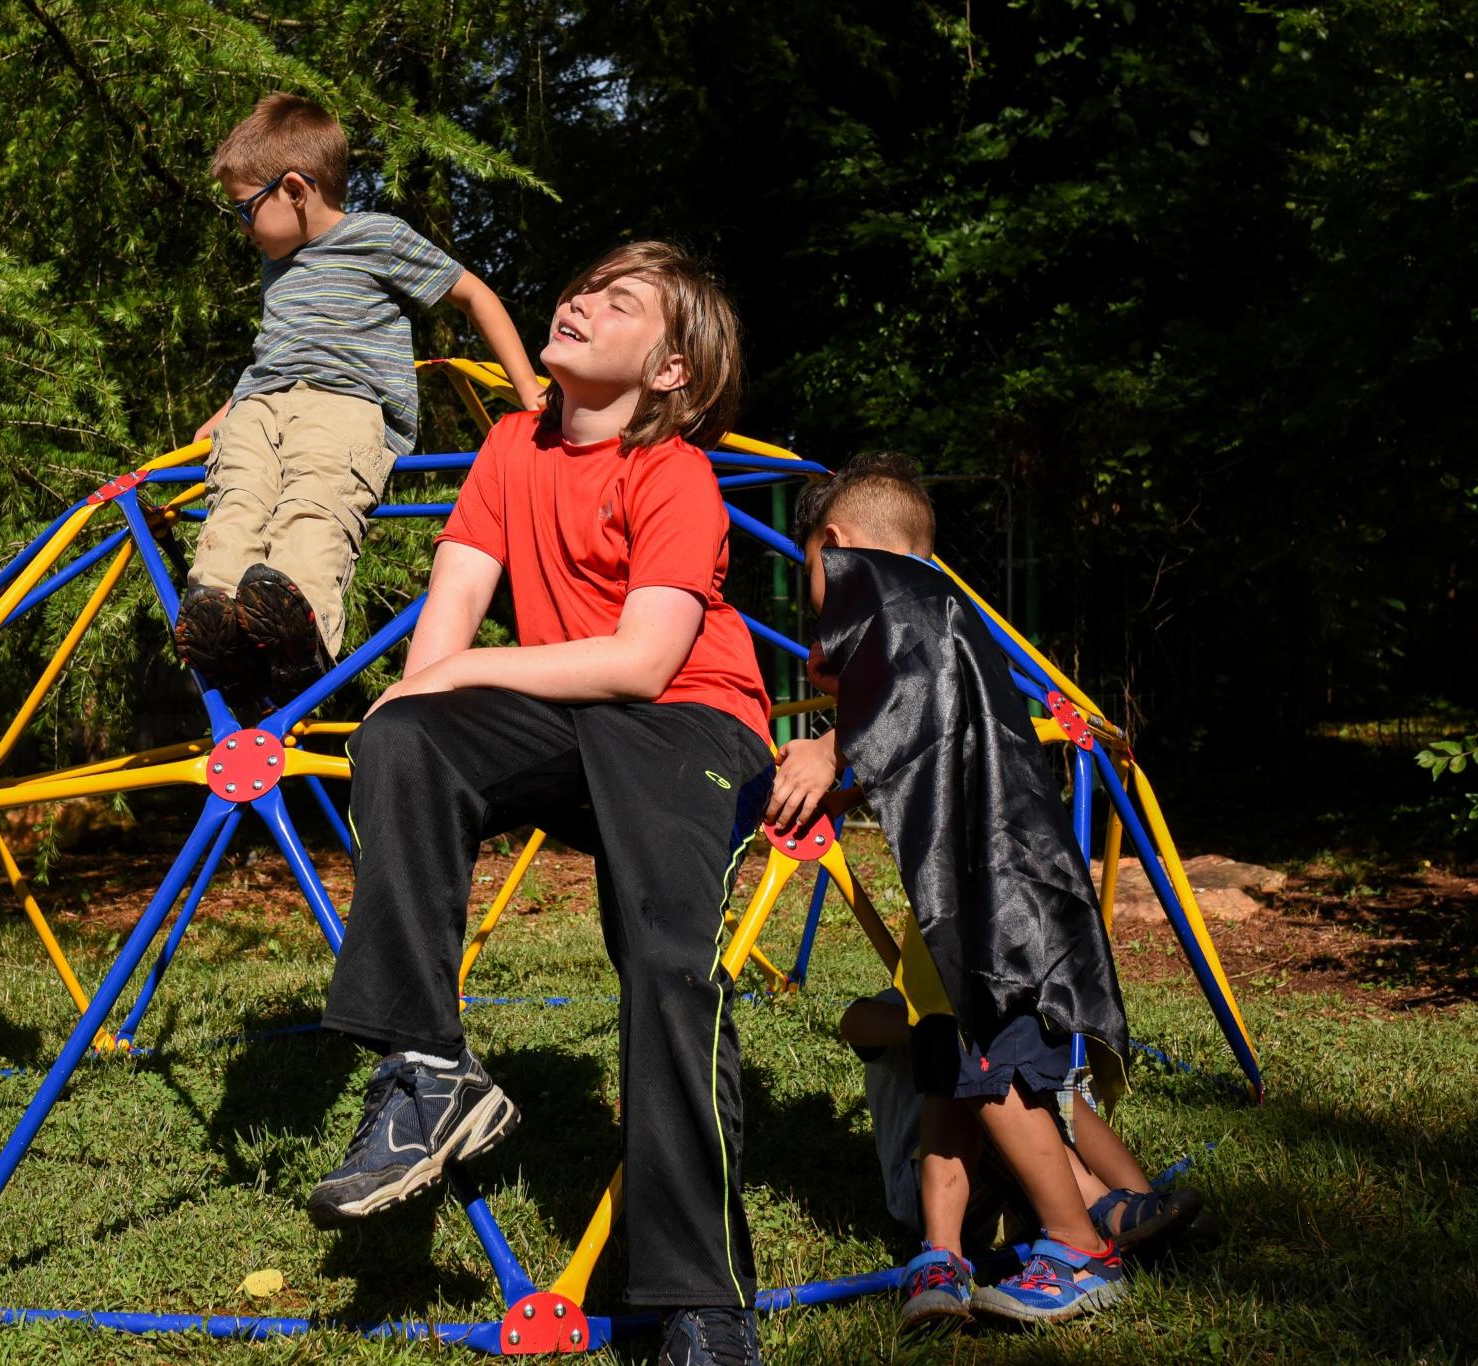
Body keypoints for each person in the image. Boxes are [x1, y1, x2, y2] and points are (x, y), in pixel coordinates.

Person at [309, 241, 772, 1366]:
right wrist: (413, 698)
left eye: (617, 305)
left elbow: (641, 662)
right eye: (581, 287)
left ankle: (696, 1300)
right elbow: (450, 611)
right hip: (566, 716)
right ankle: (425, 1070)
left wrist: (459, 675)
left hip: (688, 721)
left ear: (669, 371)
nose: (575, 302)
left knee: (663, 956)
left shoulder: (674, 474)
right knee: (405, 736)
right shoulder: (511, 447)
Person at [769, 453, 1150, 1328]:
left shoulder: (893, 598)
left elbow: (900, 710)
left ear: (837, 546)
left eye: (810, 580)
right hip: (1009, 874)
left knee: (996, 1071)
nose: (815, 608)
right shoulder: (948, 612)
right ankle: (1101, 1209)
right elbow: (928, 730)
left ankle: (1077, 1246)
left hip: (994, 892)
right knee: (986, 1062)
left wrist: (831, 750)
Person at [178, 92, 544, 705]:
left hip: (344, 403)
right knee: (237, 494)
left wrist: (527, 389)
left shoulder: (376, 237)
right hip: (263, 404)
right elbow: (275, 352)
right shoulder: (278, 267)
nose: (240, 229)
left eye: (243, 211)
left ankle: (304, 625)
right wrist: (223, 415)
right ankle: (217, 613)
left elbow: (473, 294)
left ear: (294, 188)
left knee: (315, 499)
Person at [837, 990, 1202, 1332]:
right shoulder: (912, 997)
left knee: (1050, 1095)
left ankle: (1137, 1205)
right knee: (970, 1058)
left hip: (1026, 1202)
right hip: (929, 1188)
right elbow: (853, 1022)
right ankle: (1109, 1214)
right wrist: (932, 1023)